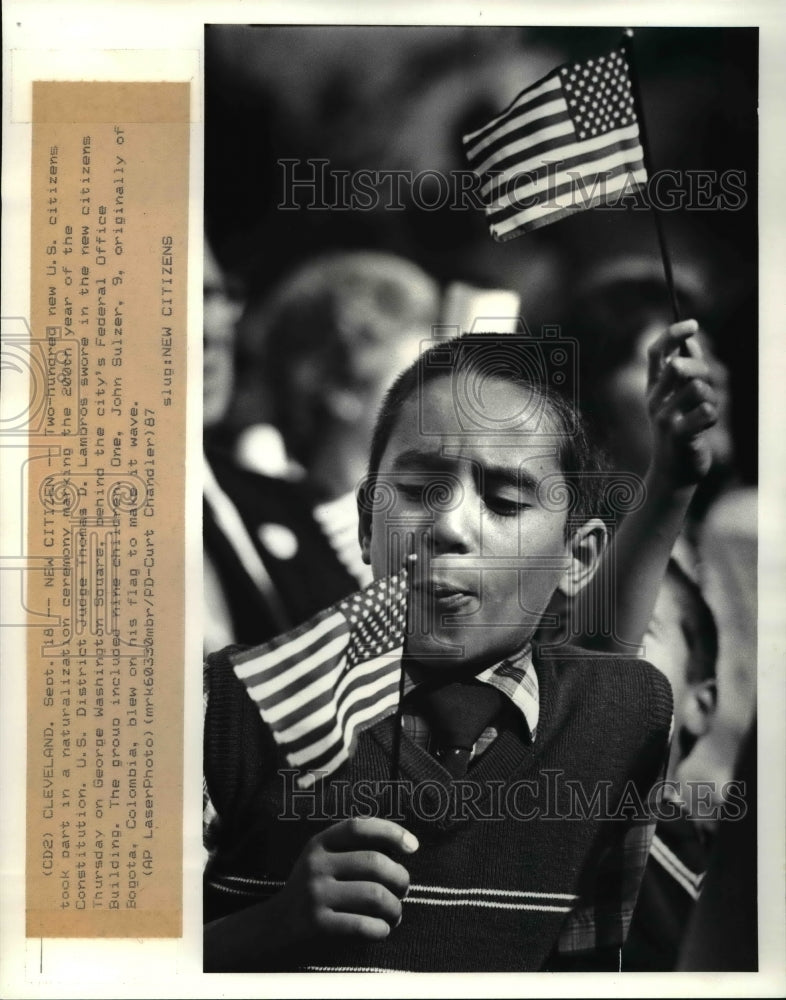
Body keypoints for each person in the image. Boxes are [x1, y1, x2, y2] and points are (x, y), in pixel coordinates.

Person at [202, 333, 683, 973]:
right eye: (419, 488)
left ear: (580, 556)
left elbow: (596, 972)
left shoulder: (620, 722)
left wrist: (675, 478)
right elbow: (84, 968)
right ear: (365, 522)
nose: (449, 528)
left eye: (505, 500)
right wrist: (269, 930)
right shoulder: (231, 707)